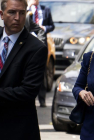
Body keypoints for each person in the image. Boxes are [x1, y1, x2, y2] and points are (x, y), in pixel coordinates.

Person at [0, 0, 47, 139]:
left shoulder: (36, 48)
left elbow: (28, 91)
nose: (17, 18)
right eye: (12, 12)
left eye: (22, 13)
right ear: (1, 14)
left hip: (17, 129)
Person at [27, 0, 55, 107]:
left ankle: (42, 100)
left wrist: (44, 28)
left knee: (41, 71)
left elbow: (52, 26)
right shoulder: (26, 10)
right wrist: (28, 7)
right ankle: (29, 99)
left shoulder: (45, 9)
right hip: (28, 42)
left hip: (41, 42)